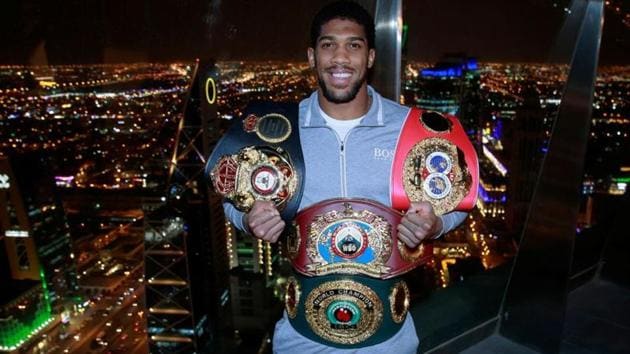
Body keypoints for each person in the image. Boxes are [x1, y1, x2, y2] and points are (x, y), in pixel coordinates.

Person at [221, 1, 469, 352]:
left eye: (353, 45)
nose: (340, 58)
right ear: (312, 56)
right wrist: (248, 219)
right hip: (301, 339)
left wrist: (435, 226)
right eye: (328, 45)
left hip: (390, 340)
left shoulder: (410, 128)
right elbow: (232, 200)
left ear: (369, 57)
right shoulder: (278, 129)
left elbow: (460, 197)